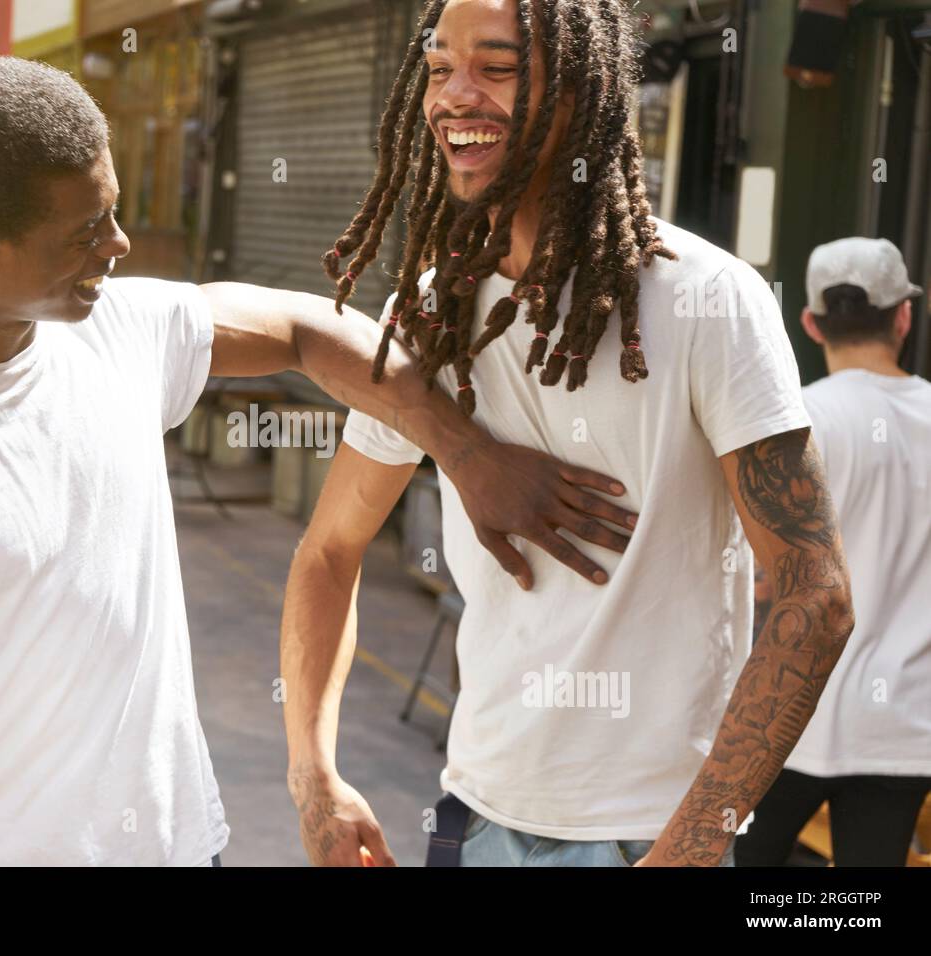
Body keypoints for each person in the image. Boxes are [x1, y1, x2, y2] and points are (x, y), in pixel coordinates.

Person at [0, 55, 638, 867]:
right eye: (86, 231)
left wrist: (467, 453)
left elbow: (306, 330)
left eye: (115, 211)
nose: (119, 246)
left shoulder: (117, 333)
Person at [280, 0, 854, 867]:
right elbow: (329, 552)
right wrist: (313, 776)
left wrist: (696, 840)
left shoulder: (708, 300)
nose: (454, 95)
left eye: (497, 67)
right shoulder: (429, 313)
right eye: (438, 68)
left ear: (581, 92)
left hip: (647, 834)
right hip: (471, 818)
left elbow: (814, 592)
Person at [736, 237, 930, 867]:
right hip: (904, 720)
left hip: (789, 708)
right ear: (904, 315)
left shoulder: (796, 422)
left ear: (811, 322)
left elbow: (753, 578)